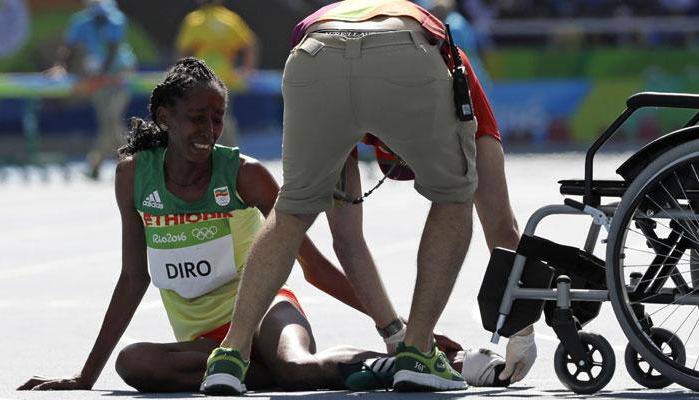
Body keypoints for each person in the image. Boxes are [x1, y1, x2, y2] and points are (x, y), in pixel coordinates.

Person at [201, 0, 535, 395]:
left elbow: (346, 236)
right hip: (403, 53)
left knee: (292, 211)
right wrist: (522, 332)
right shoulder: (454, 67)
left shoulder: (357, 98)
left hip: (313, 55)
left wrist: (392, 331)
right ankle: (421, 353)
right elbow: (500, 221)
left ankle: (228, 357)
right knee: (453, 195)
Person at [17, 57, 391, 393]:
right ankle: (253, 372)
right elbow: (134, 277)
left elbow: (312, 265)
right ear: (165, 118)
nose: (210, 130)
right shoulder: (133, 176)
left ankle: (398, 361)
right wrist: (86, 377)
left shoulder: (246, 175)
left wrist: (400, 330)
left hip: (266, 313)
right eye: (198, 118)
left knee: (296, 365)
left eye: (218, 118)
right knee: (133, 363)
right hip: (203, 340)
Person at [46, 0, 136, 180]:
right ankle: (134, 160)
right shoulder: (81, 21)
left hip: (119, 74)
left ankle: (101, 163)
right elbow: (68, 48)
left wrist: (99, 76)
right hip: (97, 76)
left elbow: (112, 50)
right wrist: (60, 66)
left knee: (111, 119)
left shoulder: (116, 19)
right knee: (109, 122)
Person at [175, 0, 258, 147]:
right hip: (225, 78)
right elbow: (250, 45)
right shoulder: (230, 19)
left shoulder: (194, 20)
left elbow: (182, 52)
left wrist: (181, 75)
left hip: (200, 78)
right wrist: (247, 70)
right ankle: (230, 151)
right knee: (223, 115)